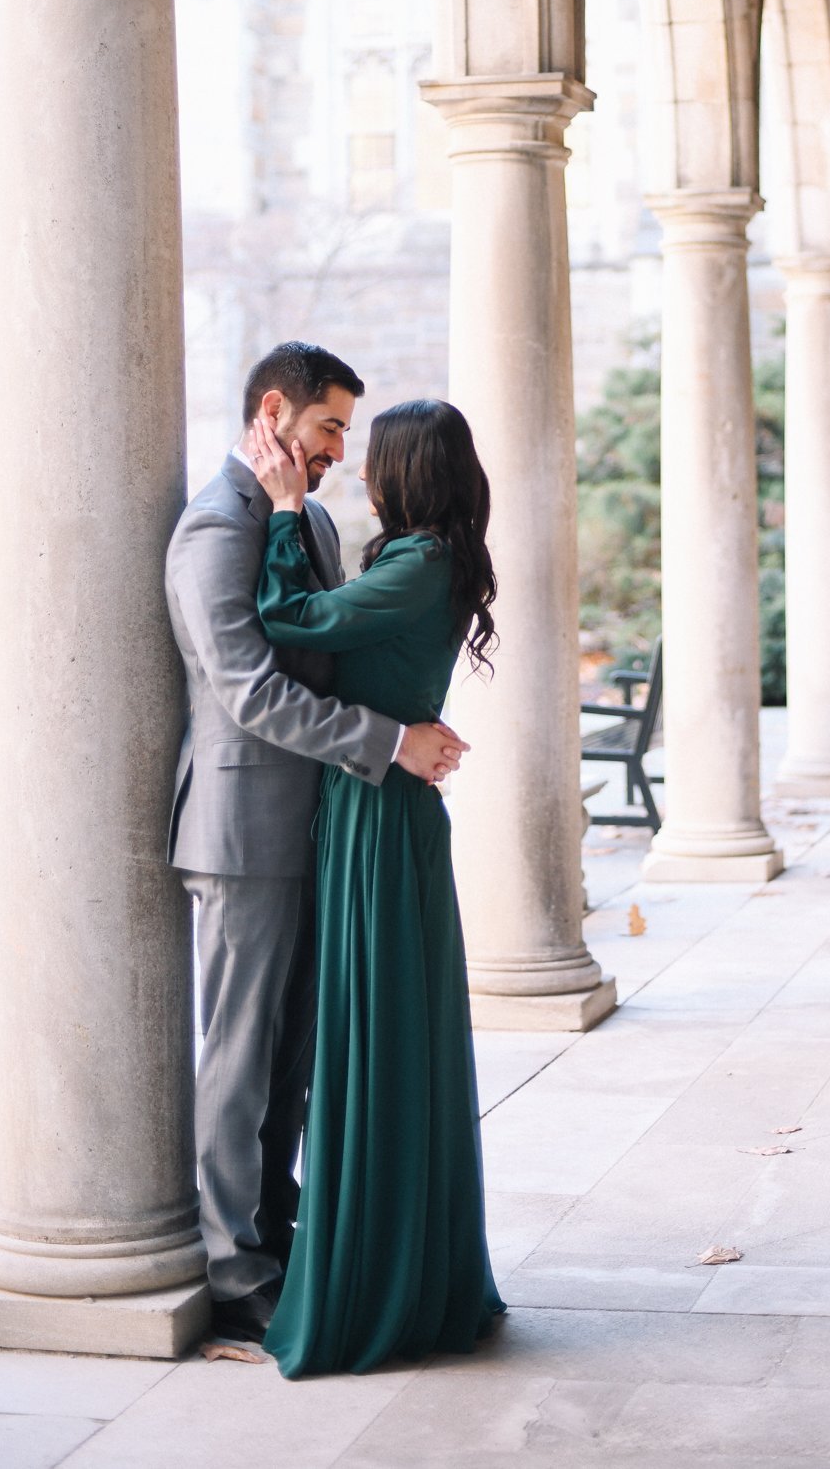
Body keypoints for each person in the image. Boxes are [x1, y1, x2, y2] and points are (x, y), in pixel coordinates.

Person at [165, 342, 467, 1346]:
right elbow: (249, 691)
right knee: (242, 1055)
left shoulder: (312, 520)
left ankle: (280, 1228)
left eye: (345, 430)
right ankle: (229, 1265)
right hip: (245, 828)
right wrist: (388, 743)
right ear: (273, 413)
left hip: (321, 826)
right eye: (329, 425)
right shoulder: (216, 525)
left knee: (294, 1055)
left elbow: (333, 655)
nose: (340, 449)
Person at [248, 396, 505, 1377]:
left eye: (377, 461)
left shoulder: (418, 562)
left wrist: (278, 511)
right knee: (389, 1037)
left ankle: (375, 1287)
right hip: (382, 812)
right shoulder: (426, 561)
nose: (360, 474)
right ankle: (414, 1269)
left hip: (376, 819)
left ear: (409, 475)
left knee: (375, 1037)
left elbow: (289, 618)